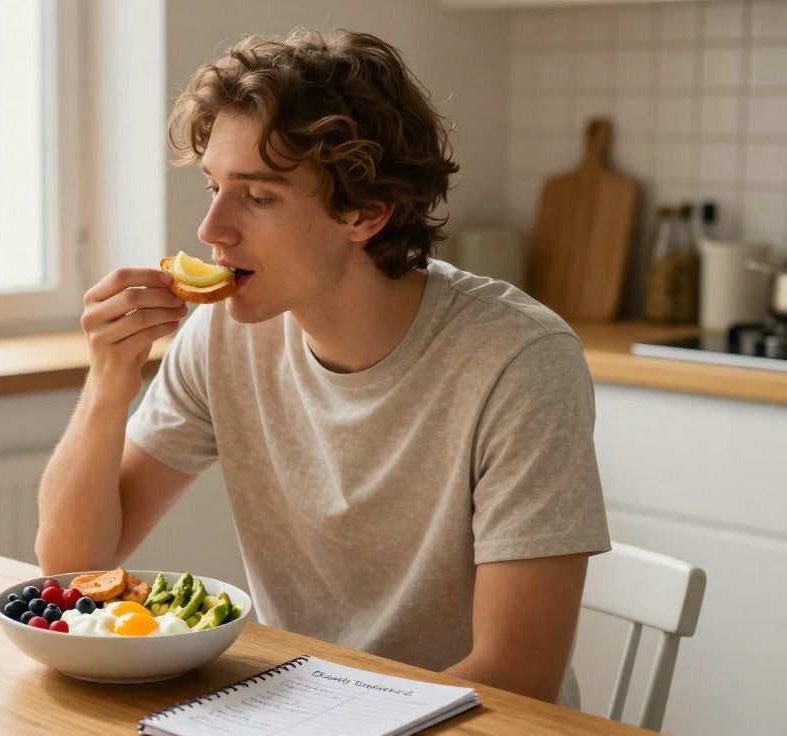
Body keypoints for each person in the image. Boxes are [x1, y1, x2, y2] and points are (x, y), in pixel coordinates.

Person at [35, 29, 609, 706]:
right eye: (214, 185)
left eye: (257, 196)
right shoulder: (222, 336)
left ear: (365, 212)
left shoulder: (518, 362)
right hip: (300, 708)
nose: (211, 230)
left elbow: (516, 677)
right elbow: (75, 564)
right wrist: (110, 379)